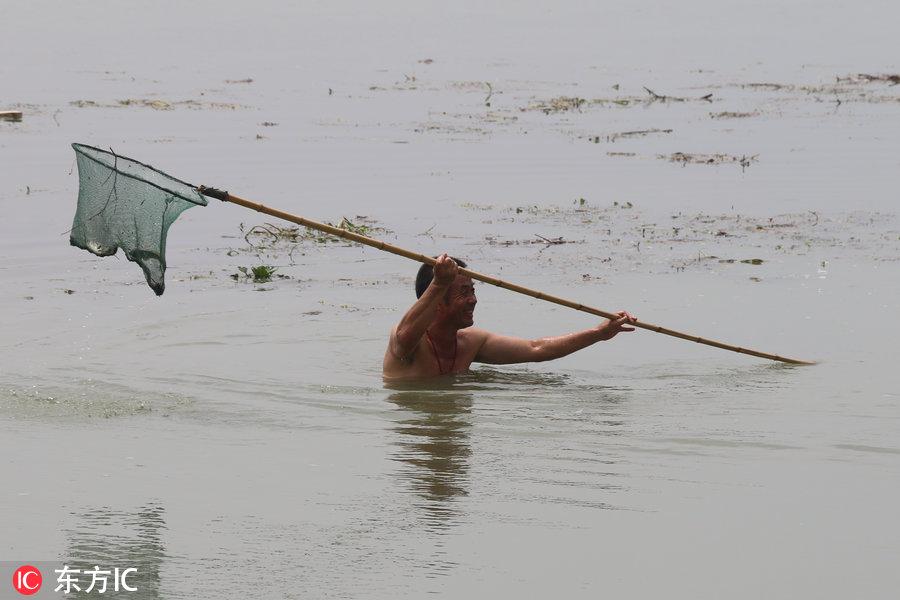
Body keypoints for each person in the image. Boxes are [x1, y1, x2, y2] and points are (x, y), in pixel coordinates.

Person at [383, 254, 638, 380]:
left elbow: (536, 349)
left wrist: (599, 333)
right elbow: (405, 334)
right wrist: (439, 283)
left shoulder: (471, 342)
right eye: (464, 292)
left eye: (473, 290)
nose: (473, 300)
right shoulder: (407, 341)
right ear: (437, 302)